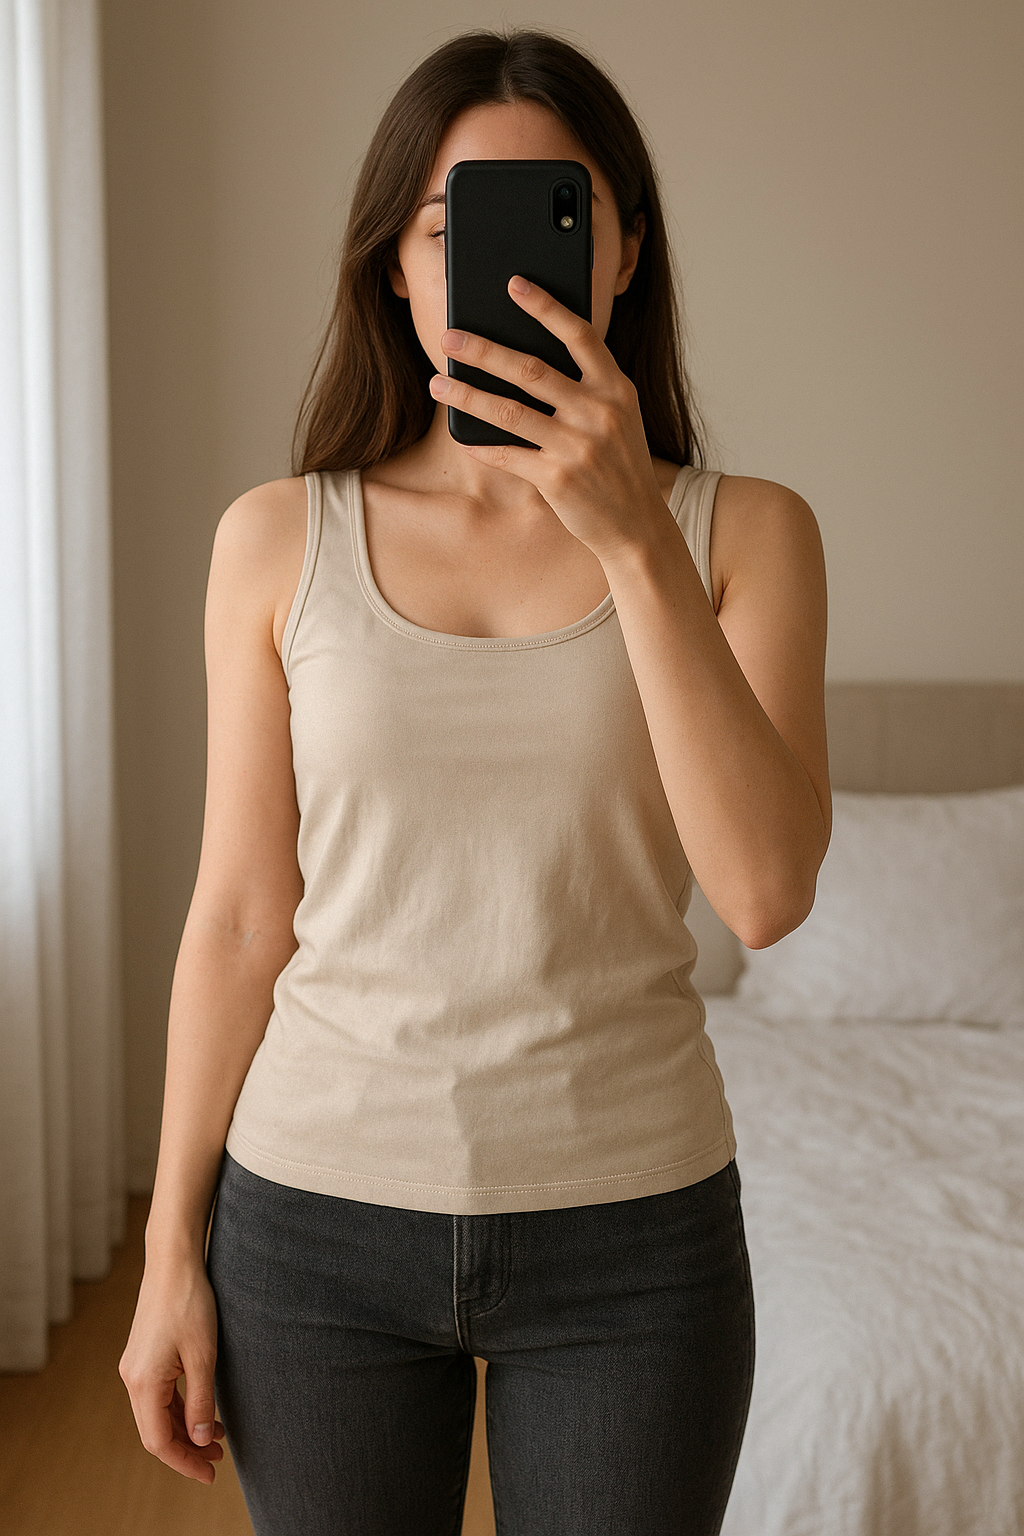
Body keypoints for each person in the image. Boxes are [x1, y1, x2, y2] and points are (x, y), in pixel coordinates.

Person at [119, 26, 830, 1536]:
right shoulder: (277, 539)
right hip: (312, 1223)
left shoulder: (748, 536)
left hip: (633, 1232)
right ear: (396, 263)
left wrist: (630, 535)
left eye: (554, 218)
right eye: (452, 228)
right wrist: (170, 1246)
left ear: (622, 252)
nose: (496, 272)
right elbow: (239, 915)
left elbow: (765, 895)